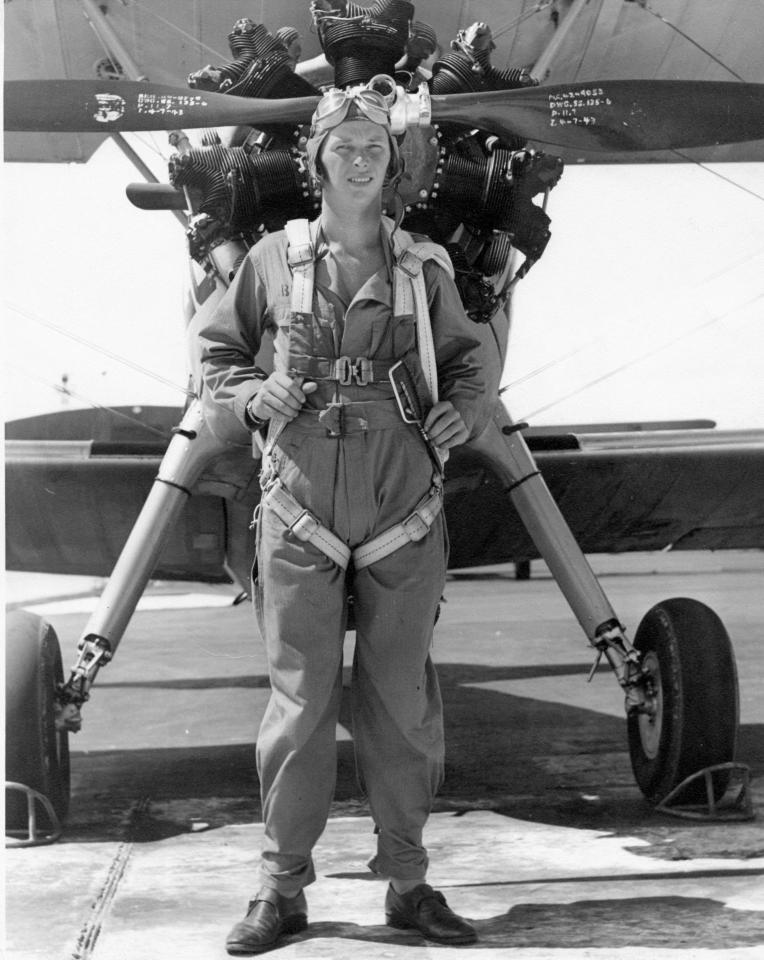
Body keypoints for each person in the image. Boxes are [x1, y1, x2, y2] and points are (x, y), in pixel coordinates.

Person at [199, 84, 491, 955]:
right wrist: (255, 395)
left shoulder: (425, 269)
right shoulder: (269, 263)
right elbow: (215, 358)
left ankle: (409, 885)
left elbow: (472, 366)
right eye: (344, 146)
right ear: (317, 160)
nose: (359, 159)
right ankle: (281, 891)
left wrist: (462, 413)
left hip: (405, 507)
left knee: (401, 703)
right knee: (299, 702)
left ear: (391, 162)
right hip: (299, 510)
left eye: (374, 147)